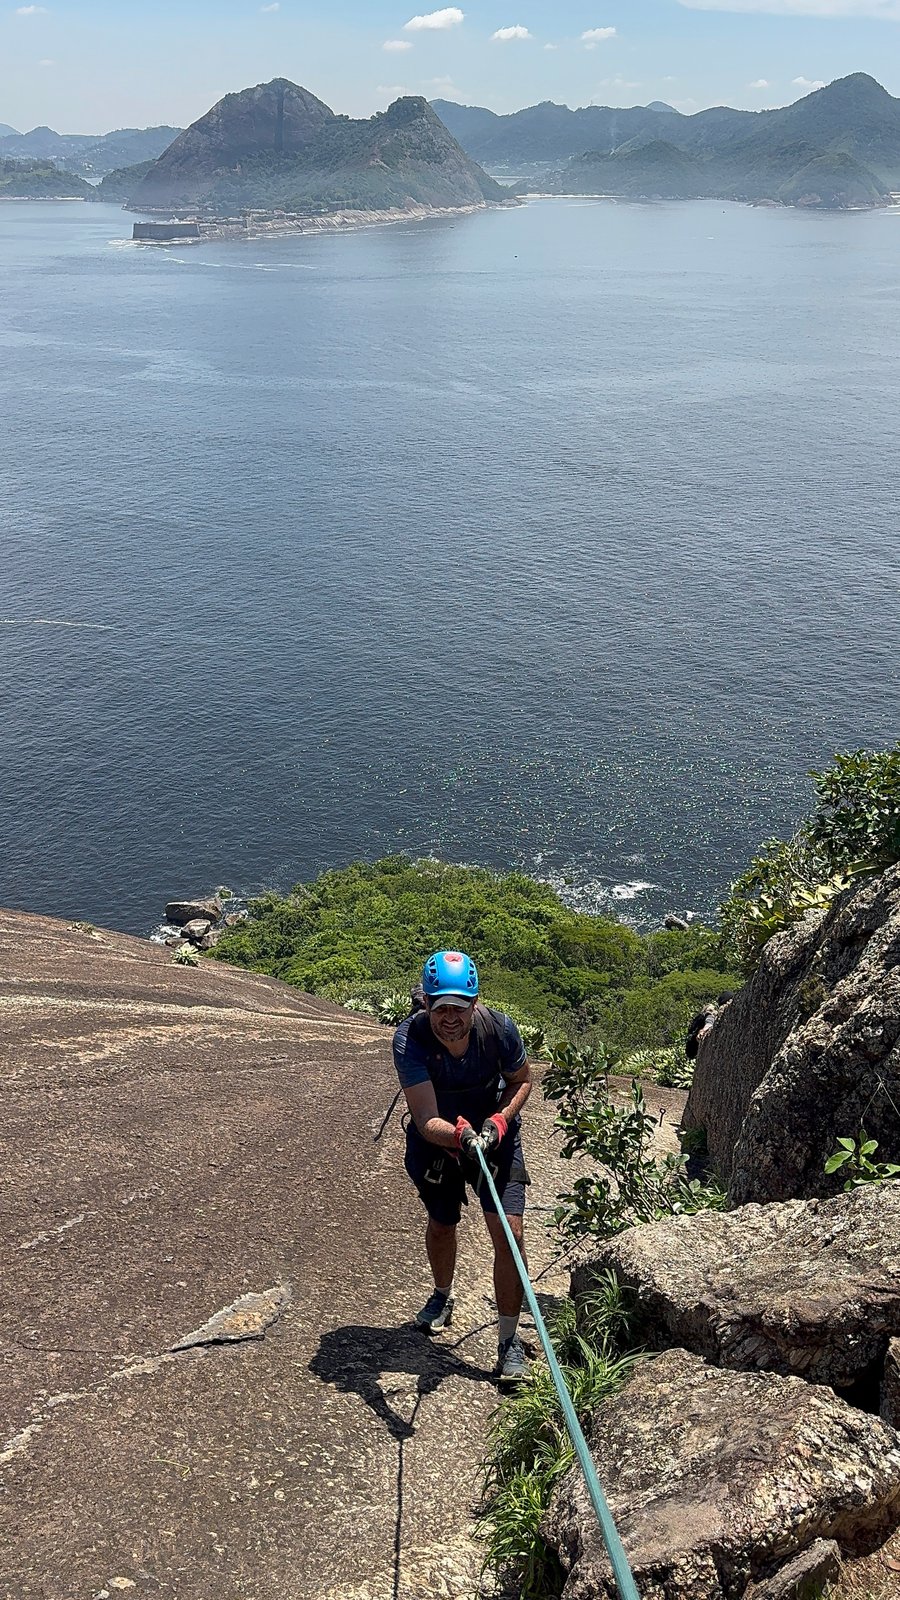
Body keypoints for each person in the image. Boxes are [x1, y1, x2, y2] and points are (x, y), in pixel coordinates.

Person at [392, 949, 533, 1384]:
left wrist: (498, 1122)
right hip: (441, 1141)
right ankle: (442, 1295)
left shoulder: (499, 1030)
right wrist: (459, 1137)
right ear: (427, 1004)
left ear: (475, 1004)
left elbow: (522, 1080)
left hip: (493, 1136)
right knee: (442, 1223)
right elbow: (424, 1116)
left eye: (459, 1007)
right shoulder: (410, 1040)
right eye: (440, 1008)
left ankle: (509, 1342)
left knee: (511, 1235)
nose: (449, 1017)